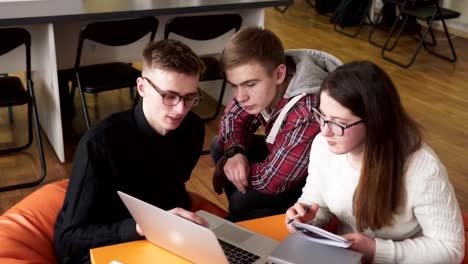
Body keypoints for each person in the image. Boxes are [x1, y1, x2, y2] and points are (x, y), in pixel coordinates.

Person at [285, 61, 465, 263]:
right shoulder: (323, 145)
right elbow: (317, 200)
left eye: (339, 123)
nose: (325, 131)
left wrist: (375, 250)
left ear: (374, 122)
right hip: (343, 257)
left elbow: (450, 248)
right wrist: (304, 216)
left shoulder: (422, 167)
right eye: (322, 116)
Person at [54, 39, 209, 264]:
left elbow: (173, 189)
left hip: (163, 238)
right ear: (142, 87)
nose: (180, 109)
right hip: (109, 244)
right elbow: (69, 239)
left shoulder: (192, 129)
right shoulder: (100, 143)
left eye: (189, 97)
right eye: (169, 96)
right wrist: (141, 227)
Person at [210, 27, 342, 221]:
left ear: (279, 74)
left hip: (314, 183)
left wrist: (225, 169)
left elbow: (272, 181)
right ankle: (248, 218)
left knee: (241, 201)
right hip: (285, 153)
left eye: (250, 84)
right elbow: (233, 118)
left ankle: (253, 219)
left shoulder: (307, 108)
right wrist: (234, 153)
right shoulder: (266, 78)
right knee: (219, 146)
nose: (240, 96)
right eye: (234, 85)